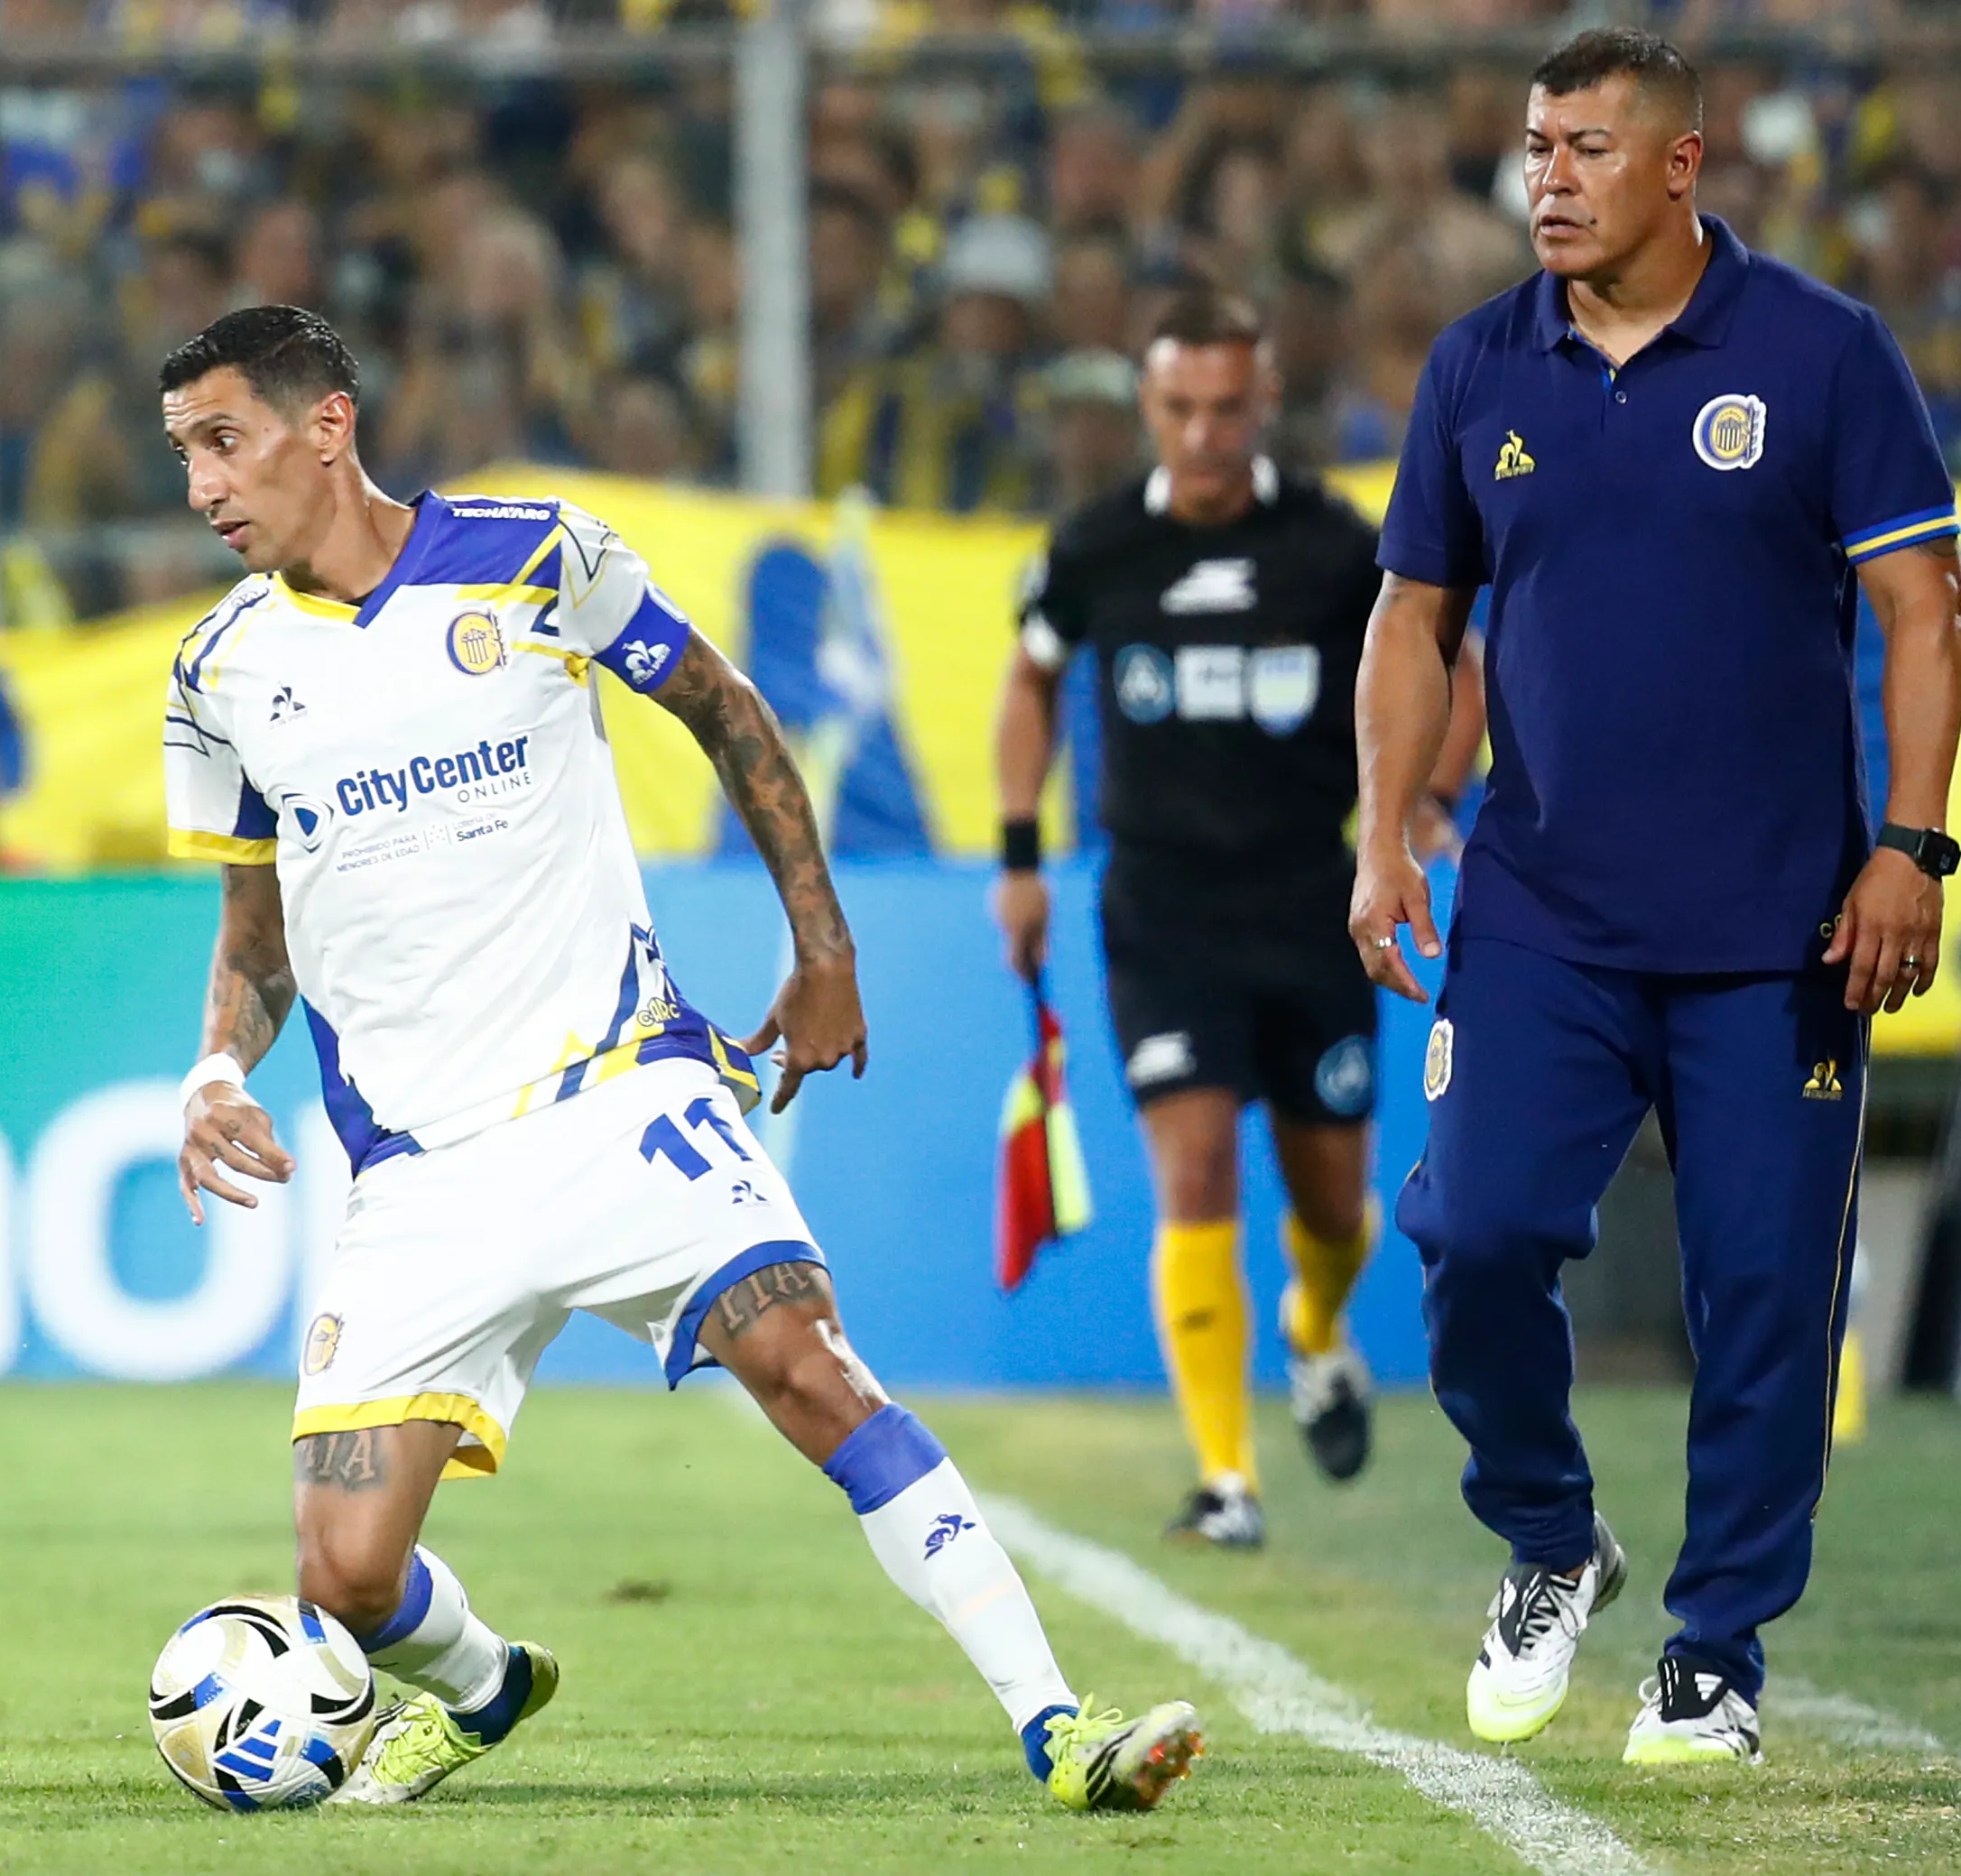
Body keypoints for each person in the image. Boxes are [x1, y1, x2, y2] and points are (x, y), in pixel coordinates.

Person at [159, 304, 1204, 1814]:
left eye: (222, 440)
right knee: (344, 1570)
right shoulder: (219, 670)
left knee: (811, 1364)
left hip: (621, 1094)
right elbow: (255, 937)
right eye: (186, 452)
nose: (201, 485)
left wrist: (822, 947)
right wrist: (213, 1072)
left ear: (327, 423)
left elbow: (726, 706)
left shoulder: (535, 556)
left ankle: (1060, 1726)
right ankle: (487, 1685)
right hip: (421, 1177)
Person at [1351, 30, 1961, 1765]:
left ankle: (1715, 1651)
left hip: (1782, 931)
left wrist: (1910, 850)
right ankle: (1552, 1536)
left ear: (1682, 166)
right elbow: (1415, 618)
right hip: (1540, 914)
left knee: (1765, 1296)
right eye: (1536, 147)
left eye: (1589, 150)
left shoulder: (1826, 353)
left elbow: (1926, 611)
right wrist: (1385, 829)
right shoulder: (1479, 368)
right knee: (1470, 1237)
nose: (1548, 178)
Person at [994, 292, 1479, 1550]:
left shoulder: (1333, 544)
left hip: (1313, 903)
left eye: (1227, 407)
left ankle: (1317, 1334)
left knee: (1332, 1201)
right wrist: (1018, 854)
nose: (1203, 433)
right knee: (1194, 1163)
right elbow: (1031, 678)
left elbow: (1448, 656)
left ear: (1264, 405)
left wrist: (1424, 793)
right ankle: (1226, 1477)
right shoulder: (1096, 546)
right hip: (1161, 908)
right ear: (1147, 410)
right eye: (1179, 409)